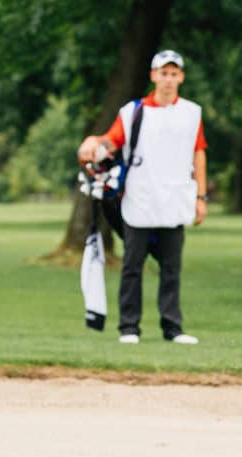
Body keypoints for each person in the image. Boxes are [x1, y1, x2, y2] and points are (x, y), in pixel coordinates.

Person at [78, 49, 208, 345]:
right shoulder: (133, 111)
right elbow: (111, 142)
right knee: (132, 267)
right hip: (140, 199)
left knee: (171, 268)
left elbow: (198, 153)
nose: (168, 79)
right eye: (164, 73)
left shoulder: (191, 113)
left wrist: (201, 196)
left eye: (174, 74)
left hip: (175, 200)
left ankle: (173, 327)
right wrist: (94, 141)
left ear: (181, 78)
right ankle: (129, 328)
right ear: (154, 76)